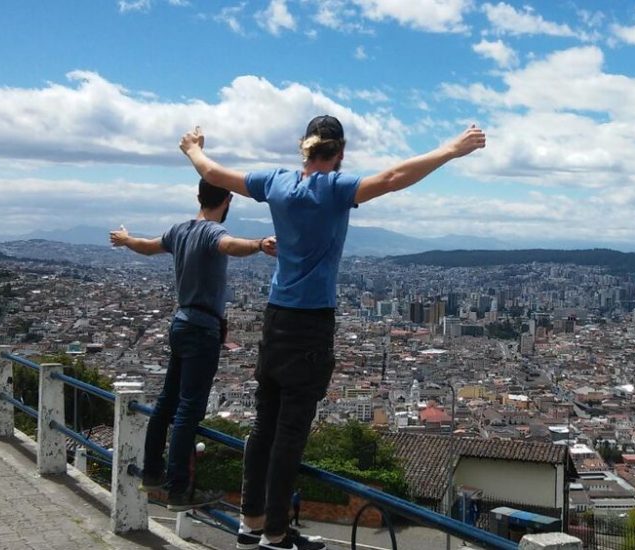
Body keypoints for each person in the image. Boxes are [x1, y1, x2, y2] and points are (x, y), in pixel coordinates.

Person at [178, 116, 485, 550]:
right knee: (290, 432)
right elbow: (395, 177)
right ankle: (277, 534)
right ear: (340, 153)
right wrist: (454, 148)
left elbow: (212, 173)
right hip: (310, 323)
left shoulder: (275, 183)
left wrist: (191, 147)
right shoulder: (334, 189)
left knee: (265, 424)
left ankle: (250, 522)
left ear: (304, 149)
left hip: (275, 317)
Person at [109, 179, 277, 511]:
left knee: (166, 402)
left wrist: (126, 239)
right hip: (202, 328)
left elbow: (147, 245)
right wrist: (260, 244)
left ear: (198, 196)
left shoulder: (180, 231)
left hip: (180, 321)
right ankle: (178, 489)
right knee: (189, 409)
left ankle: (152, 472)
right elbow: (230, 246)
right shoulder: (213, 233)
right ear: (228, 199)